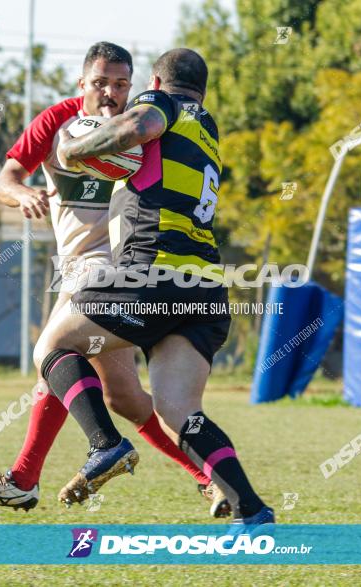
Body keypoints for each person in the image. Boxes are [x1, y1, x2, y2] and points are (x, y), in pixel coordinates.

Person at [0, 42, 228, 518]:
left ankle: (56, 466)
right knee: (121, 394)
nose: (111, 93)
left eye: (121, 84)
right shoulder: (56, 120)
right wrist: (20, 194)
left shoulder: (147, 120)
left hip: (118, 270)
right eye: (101, 82)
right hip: (81, 266)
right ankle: (208, 478)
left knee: (53, 351)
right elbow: (5, 178)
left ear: (136, 84)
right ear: (82, 82)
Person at [36, 47, 274, 527]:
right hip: (204, 287)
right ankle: (252, 510)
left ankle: (105, 445)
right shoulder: (206, 129)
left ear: (156, 83)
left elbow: (133, 128)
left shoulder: (161, 105)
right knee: (179, 411)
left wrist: (72, 151)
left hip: (151, 272)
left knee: (53, 346)